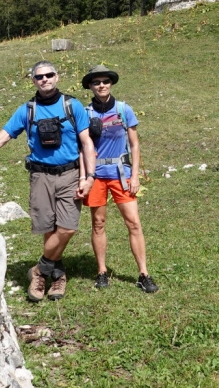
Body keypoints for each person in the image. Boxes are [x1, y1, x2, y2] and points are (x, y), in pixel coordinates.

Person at [0, 61, 95, 302]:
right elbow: (1, 137)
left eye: (49, 75)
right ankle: (56, 274)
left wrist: (89, 177)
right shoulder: (27, 110)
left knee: (67, 227)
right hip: (40, 176)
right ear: (33, 81)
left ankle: (40, 269)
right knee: (48, 228)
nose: (44, 79)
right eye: (39, 77)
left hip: (70, 175)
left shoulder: (72, 105)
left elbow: (87, 143)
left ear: (57, 77)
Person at [81, 65, 158, 293]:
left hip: (121, 175)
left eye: (105, 81)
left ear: (111, 83)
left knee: (134, 223)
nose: (101, 85)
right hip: (96, 177)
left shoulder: (124, 109)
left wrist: (135, 175)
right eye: (96, 82)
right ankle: (102, 271)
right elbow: (81, 148)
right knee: (98, 223)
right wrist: (84, 177)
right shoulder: (85, 114)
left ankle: (144, 274)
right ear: (90, 86)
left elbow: (134, 144)